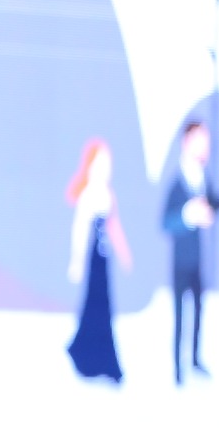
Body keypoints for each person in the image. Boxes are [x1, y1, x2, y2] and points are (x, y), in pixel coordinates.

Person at [162, 120, 219, 385]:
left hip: (197, 259)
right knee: (180, 314)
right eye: (199, 140)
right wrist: (188, 215)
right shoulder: (178, 182)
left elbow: (212, 204)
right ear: (186, 142)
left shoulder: (202, 176)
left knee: (199, 309)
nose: (204, 146)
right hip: (180, 261)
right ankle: (177, 369)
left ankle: (194, 359)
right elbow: (166, 222)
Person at [65, 139, 133, 384]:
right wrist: (76, 261)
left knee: (104, 308)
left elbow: (113, 226)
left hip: (104, 261)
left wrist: (124, 253)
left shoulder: (107, 194)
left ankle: (102, 361)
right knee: (93, 307)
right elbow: (80, 229)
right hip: (92, 260)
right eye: (101, 162)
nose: (106, 168)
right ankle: (86, 356)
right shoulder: (88, 195)